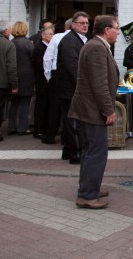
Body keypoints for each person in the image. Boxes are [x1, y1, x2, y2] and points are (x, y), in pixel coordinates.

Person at [69, 15, 120, 209]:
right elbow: (99, 84)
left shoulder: (95, 46)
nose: (118, 31)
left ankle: (91, 187)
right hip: (92, 111)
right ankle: (87, 195)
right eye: (116, 28)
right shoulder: (97, 48)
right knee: (96, 153)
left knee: (90, 152)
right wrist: (108, 109)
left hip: (88, 109)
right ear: (106, 30)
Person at [55, 12, 90, 163]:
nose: (85, 25)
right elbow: (72, 67)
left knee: (71, 122)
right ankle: (76, 155)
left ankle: (68, 151)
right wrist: (84, 86)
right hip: (69, 89)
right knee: (74, 123)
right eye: (81, 23)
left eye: (87, 23)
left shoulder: (81, 39)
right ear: (73, 25)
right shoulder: (70, 41)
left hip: (72, 88)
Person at [42, 18, 72, 145]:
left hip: (56, 73)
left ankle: (50, 136)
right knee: (68, 108)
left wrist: (48, 76)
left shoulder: (56, 37)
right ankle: (66, 138)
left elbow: (47, 58)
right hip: (69, 75)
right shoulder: (82, 39)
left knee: (54, 107)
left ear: (66, 27)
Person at [8, 21, 35, 136]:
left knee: (14, 103)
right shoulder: (28, 44)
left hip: (13, 76)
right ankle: (22, 127)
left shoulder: (10, 43)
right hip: (26, 76)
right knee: (25, 103)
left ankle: (11, 126)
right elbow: (34, 58)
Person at [32, 25, 53, 139]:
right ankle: (39, 129)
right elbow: (40, 66)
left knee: (46, 106)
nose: (52, 36)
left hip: (47, 83)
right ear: (43, 36)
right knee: (41, 106)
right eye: (50, 34)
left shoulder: (49, 47)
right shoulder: (39, 48)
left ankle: (44, 127)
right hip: (42, 82)